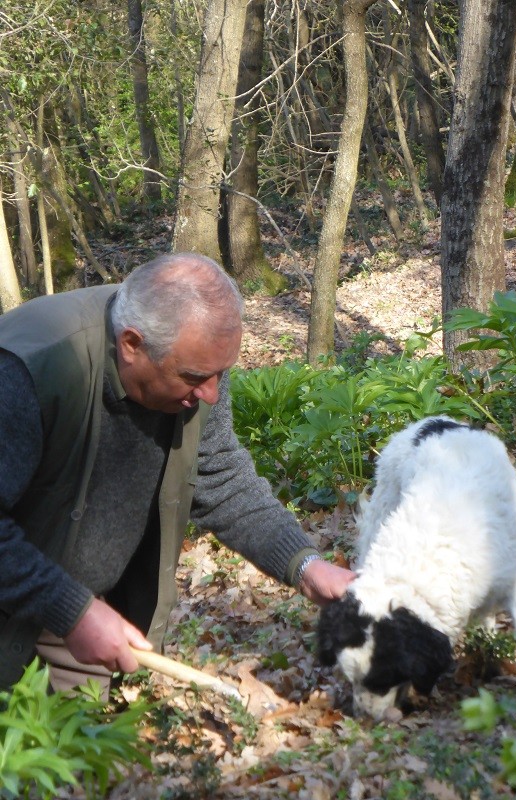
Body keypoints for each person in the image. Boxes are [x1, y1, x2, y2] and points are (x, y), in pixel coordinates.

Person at [0, 252, 354, 695]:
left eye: (220, 375)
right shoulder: (28, 373)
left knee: (76, 754)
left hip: (70, 608)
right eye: (195, 377)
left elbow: (221, 478)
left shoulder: (197, 372)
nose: (210, 394)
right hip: (31, 597)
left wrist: (305, 564)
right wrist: (71, 610)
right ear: (131, 345)